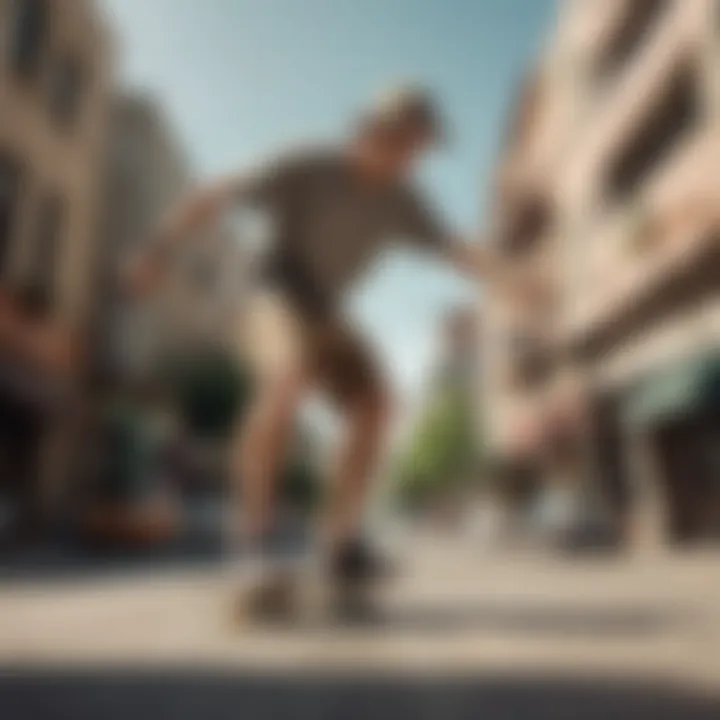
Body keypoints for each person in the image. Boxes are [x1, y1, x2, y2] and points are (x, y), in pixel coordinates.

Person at [126, 85, 534, 599]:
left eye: (418, 151)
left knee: (376, 402)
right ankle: (250, 542)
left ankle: (339, 545)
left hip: (325, 308)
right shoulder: (307, 164)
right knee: (287, 377)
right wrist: (156, 249)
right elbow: (216, 194)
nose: (407, 160)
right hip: (270, 287)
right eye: (401, 143)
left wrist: (513, 279)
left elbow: (455, 249)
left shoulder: (403, 201)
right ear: (368, 130)